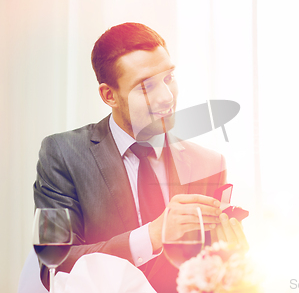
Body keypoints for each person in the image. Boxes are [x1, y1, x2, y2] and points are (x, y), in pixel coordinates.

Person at [33, 22, 247, 293]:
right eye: (146, 87)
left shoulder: (210, 164)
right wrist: (152, 235)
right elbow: (55, 262)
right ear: (109, 95)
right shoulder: (62, 154)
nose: (167, 98)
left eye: (169, 78)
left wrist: (229, 261)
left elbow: (206, 274)